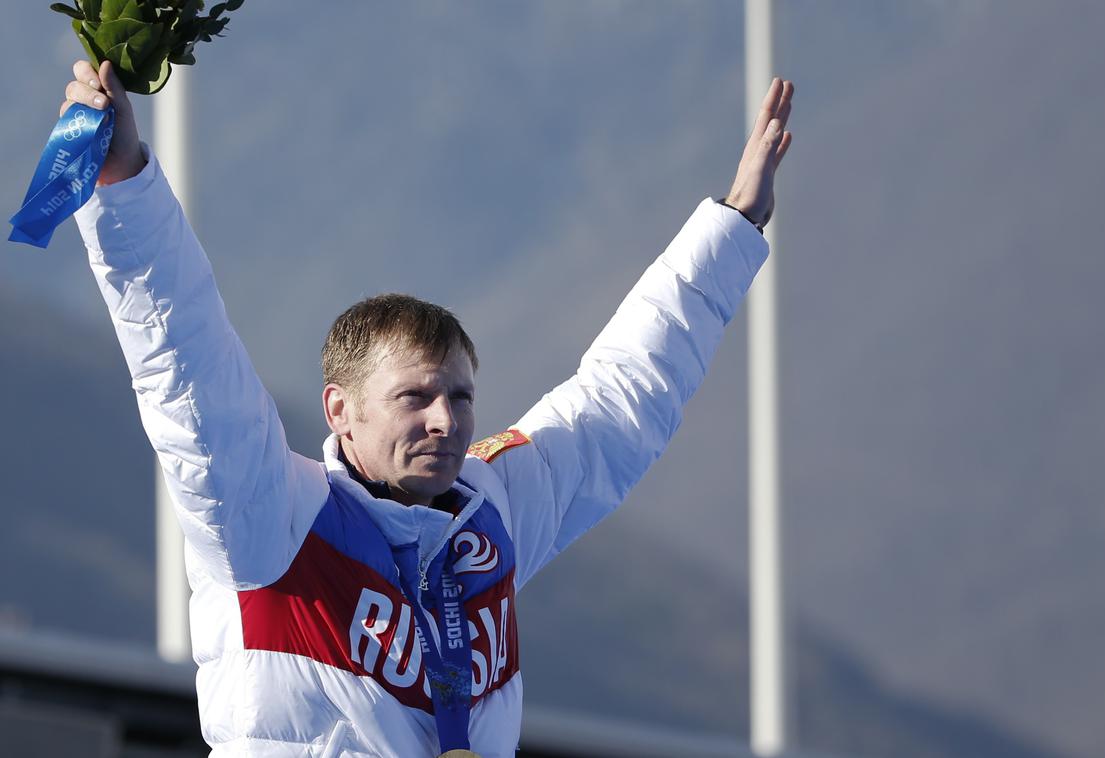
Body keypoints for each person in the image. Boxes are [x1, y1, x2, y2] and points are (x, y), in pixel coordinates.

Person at [63, 59, 793, 758]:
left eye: (461, 396)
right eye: (415, 398)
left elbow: (625, 393)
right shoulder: (269, 517)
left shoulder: (493, 509)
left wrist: (734, 226)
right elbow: (187, 366)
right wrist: (125, 185)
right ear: (339, 410)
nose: (446, 421)